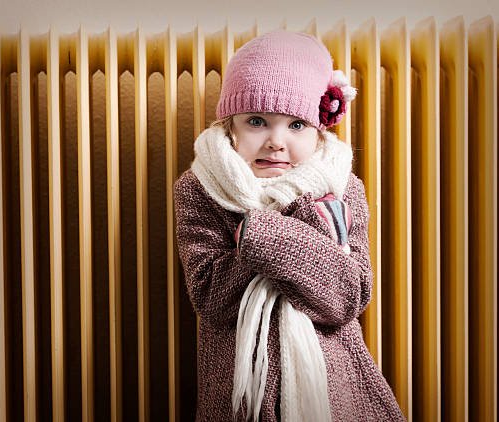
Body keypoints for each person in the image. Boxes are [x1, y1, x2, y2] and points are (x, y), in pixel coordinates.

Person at [173, 30, 405, 421]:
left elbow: (346, 298)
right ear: (231, 126)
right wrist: (293, 233)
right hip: (238, 384)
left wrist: (262, 235)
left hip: (332, 383)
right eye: (257, 121)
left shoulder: (341, 188)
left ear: (319, 131)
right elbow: (212, 298)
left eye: (296, 125)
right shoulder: (200, 189)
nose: (276, 141)